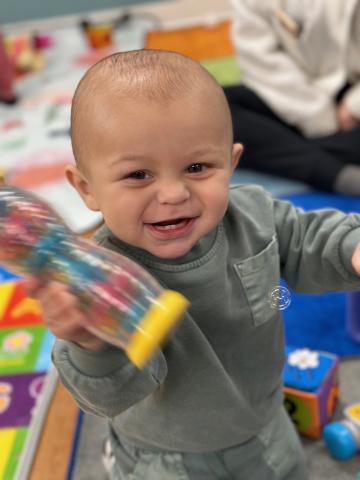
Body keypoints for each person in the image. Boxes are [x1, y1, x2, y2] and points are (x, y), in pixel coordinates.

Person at [30, 49, 360, 480]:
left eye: (197, 167)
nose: (172, 193)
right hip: (168, 459)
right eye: (138, 175)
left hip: (265, 423)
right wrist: (91, 343)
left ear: (232, 164)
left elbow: (310, 239)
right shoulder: (99, 276)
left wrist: (352, 247)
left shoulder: (253, 215)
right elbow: (106, 395)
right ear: (86, 188)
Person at [225, 0, 360, 196]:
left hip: (353, 97)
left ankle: (281, 154)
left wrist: (353, 108)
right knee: (214, 107)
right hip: (293, 98)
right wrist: (319, 118)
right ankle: (338, 175)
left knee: (233, 144)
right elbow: (261, 63)